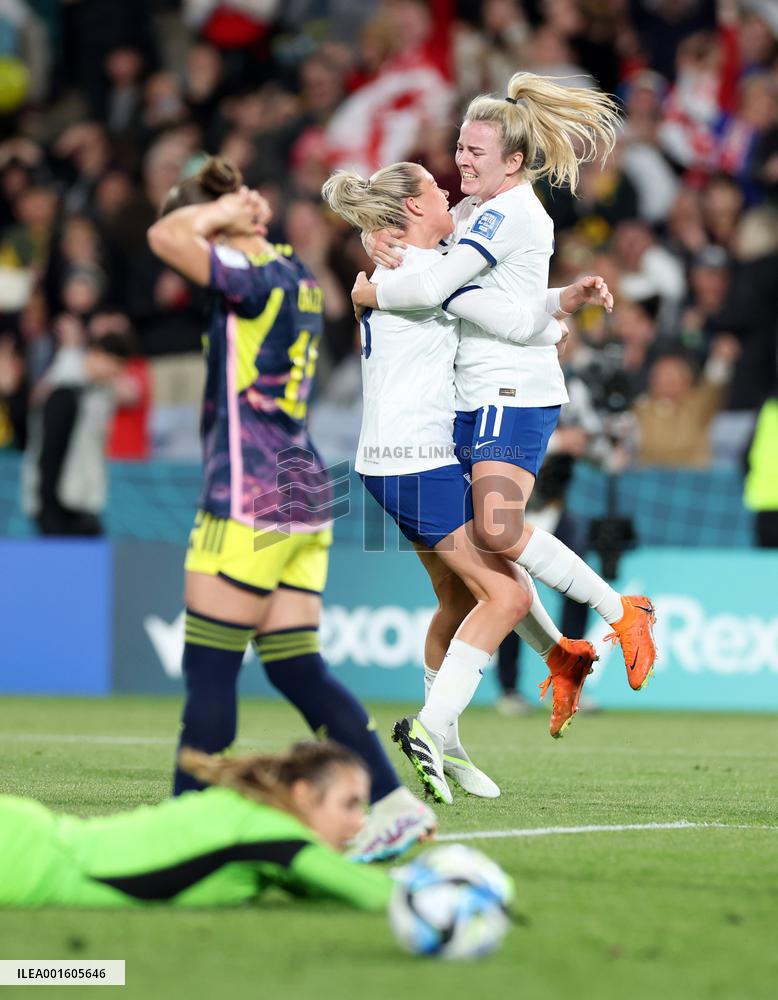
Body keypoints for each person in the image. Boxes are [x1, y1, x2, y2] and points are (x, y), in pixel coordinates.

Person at [146, 156, 434, 861]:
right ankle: (393, 804)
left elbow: (165, 238)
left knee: (211, 668)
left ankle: (188, 831)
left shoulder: (250, 278)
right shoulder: (299, 278)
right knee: (294, 666)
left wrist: (217, 213)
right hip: (305, 488)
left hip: (251, 493)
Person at [354, 71, 658, 695]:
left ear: (514, 160)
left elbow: (459, 295)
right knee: (479, 574)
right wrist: (559, 302)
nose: (458, 162)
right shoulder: (476, 212)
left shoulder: (504, 214)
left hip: (507, 393)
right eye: (459, 149)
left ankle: (622, 613)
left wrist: (371, 290)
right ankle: (563, 659)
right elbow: (498, 298)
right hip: (469, 402)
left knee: (495, 535)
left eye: (473, 153)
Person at [322, 160, 596, 804]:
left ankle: (447, 745)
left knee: (459, 600)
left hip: (395, 459)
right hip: (414, 460)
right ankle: (432, 726)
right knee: (507, 598)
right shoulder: (423, 274)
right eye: (436, 191)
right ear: (414, 211)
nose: (449, 194)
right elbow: (504, 317)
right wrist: (556, 322)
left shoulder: (407, 263)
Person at [0, 741, 392, 911]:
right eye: (350, 804)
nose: (359, 823)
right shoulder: (272, 835)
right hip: (27, 863)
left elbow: (322, 884)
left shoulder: (255, 820)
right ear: (305, 794)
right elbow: (378, 895)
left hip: (29, 841)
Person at [22, 333, 129, 536]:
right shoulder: (65, 391)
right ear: (98, 355)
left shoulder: (99, 393)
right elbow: (50, 453)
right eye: (115, 364)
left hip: (79, 498)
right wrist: (48, 506)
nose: (115, 373)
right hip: (57, 501)